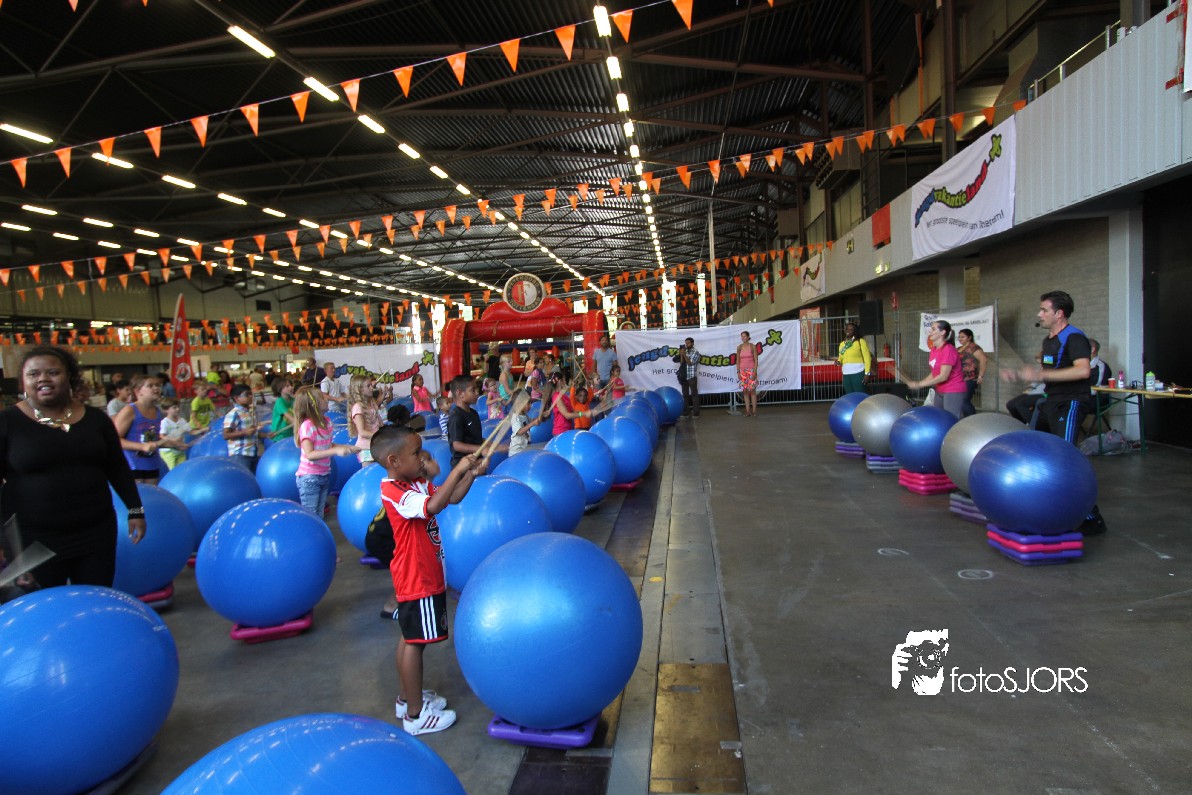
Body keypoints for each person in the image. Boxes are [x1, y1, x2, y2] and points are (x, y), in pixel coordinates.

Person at [0, 346, 145, 588]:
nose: (43, 379)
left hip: (95, 531)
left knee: (94, 598)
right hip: (33, 538)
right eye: (33, 374)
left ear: (69, 376)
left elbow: (117, 468)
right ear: (23, 382)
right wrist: (4, 543)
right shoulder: (7, 421)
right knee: (46, 605)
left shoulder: (96, 420)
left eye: (53, 372)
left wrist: (135, 510)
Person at [373, 424, 485, 735]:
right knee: (415, 643)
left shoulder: (415, 483)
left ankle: (406, 698)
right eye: (416, 454)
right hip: (417, 576)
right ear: (394, 461)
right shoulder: (395, 491)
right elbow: (433, 507)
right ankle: (415, 715)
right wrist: (458, 468)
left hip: (423, 573)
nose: (423, 459)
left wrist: (470, 475)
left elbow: (451, 498)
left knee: (409, 638)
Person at [1001, 290, 1106, 535]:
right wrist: (1020, 374)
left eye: (1044, 310)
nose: (1039, 314)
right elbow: (1048, 372)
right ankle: (1047, 506)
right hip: (1051, 401)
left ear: (1059, 313)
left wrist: (1042, 374)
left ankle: (1091, 517)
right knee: (1042, 452)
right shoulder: (1049, 340)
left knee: (1066, 460)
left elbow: (1082, 371)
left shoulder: (1075, 337)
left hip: (1071, 402)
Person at [293, 386, 359, 516]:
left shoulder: (327, 421)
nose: (327, 399)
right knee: (312, 515)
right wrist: (336, 451)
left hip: (324, 474)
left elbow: (327, 444)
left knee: (319, 514)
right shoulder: (307, 426)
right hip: (309, 477)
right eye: (323, 398)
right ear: (315, 405)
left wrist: (346, 447)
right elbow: (310, 454)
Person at [114, 374, 176, 486]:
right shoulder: (129, 411)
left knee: (150, 494)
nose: (156, 388)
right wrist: (141, 447)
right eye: (150, 386)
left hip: (152, 464)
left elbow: (153, 440)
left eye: (157, 385)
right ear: (138, 391)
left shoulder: (158, 412)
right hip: (132, 465)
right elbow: (113, 440)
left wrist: (172, 444)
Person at [904, 319, 966, 419]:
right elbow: (934, 373)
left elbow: (943, 376)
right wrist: (919, 383)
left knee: (951, 419)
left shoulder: (948, 349)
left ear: (942, 332)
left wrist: (920, 384)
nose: (930, 331)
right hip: (940, 390)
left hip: (953, 390)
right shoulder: (934, 350)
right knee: (939, 418)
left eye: (933, 329)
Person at [223, 383, 272, 474]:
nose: (250, 396)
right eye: (246, 394)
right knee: (242, 478)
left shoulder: (250, 413)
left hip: (253, 452)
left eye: (251, 394)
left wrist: (266, 435)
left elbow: (253, 432)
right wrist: (244, 432)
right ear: (236, 398)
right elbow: (226, 435)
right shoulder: (234, 414)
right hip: (240, 454)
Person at [446, 375, 484, 467]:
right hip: (463, 466)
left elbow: (476, 438)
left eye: (477, 389)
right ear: (460, 393)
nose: (477, 393)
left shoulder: (474, 413)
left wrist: (493, 445)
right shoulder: (456, 417)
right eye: (473, 390)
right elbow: (457, 445)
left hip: (477, 461)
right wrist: (481, 449)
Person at [159, 398, 204, 470]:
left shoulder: (182, 420)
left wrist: (202, 430)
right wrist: (173, 440)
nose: (178, 409)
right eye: (174, 408)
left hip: (180, 450)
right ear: (166, 410)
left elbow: (191, 432)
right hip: (169, 452)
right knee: (173, 471)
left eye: (178, 407)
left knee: (183, 468)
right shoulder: (165, 422)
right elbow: (162, 435)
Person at [350, 374, 385, 465]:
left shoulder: (372, 404)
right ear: (360, 389)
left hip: (376, 445)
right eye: (368, 386)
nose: (371, 388)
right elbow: (362, 432)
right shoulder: (358, 407)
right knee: (369, 471)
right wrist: (379, 436)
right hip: (365, 448)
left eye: (371, 385)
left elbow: (380, 424)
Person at [956, 328, 989, 417]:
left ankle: (973, 419)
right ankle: (967, 419)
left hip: (970, 378)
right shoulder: (959, 348)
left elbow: (983, 360)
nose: (960, 339)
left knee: (964, 400)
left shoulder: (973, 347)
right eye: (959, 337)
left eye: (963, 337)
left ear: (969, 337)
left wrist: (981, 376)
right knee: (960, 400)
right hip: (959, 378)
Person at [837, 322, 872, 395]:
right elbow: (841, 357)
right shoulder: (842, 344)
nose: (848, 331)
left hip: (858, 372)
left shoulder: (860, 341)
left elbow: (867, 358)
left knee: (860, 395)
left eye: (851, 330)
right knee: (850, 396)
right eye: (847, 329)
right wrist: (838, 361)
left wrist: (867, 374)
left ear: (855, 331)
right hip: (846, 374)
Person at [673, 336, 701, 418]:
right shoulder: (686, 351)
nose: (686, 344)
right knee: (685, 395)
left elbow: (690, 363)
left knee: (694, 395)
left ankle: (696, 413)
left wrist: (684, 354)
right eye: (685, 343)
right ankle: (686, 412)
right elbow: (682, 363)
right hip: (684, 376)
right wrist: (681, 355)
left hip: (691, 376)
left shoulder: (695, 352)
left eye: (688, 343)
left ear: (692, 343)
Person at [736, 330, 760, 417]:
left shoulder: (752, 346)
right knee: (745, 391)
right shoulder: (739, 347)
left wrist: (754, 372)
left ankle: (754, 411)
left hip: (751, 370)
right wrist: (738, 372)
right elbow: (738, 360)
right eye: (742, 336)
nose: (743, 338)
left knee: (752, 391)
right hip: (742, 371)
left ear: (748, 337)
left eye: (744, 336)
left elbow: (756, 360)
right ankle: (747, 411)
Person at [508, 389, 538, 456]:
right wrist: (532, 424)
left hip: (524, 448)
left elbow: (531, 421)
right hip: (516, 451)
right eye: (528, 403)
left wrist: (538, 419)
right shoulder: (515, 418)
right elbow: (519, 432)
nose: (530, 405)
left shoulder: (524, 415)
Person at [270, 377, 296, 441]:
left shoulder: (293, 400)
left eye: (291, 385)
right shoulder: (279, 402)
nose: (291, 387)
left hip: (290, 433)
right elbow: (290, 417)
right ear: (280, 389)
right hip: (280, 435)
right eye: (287, 386)